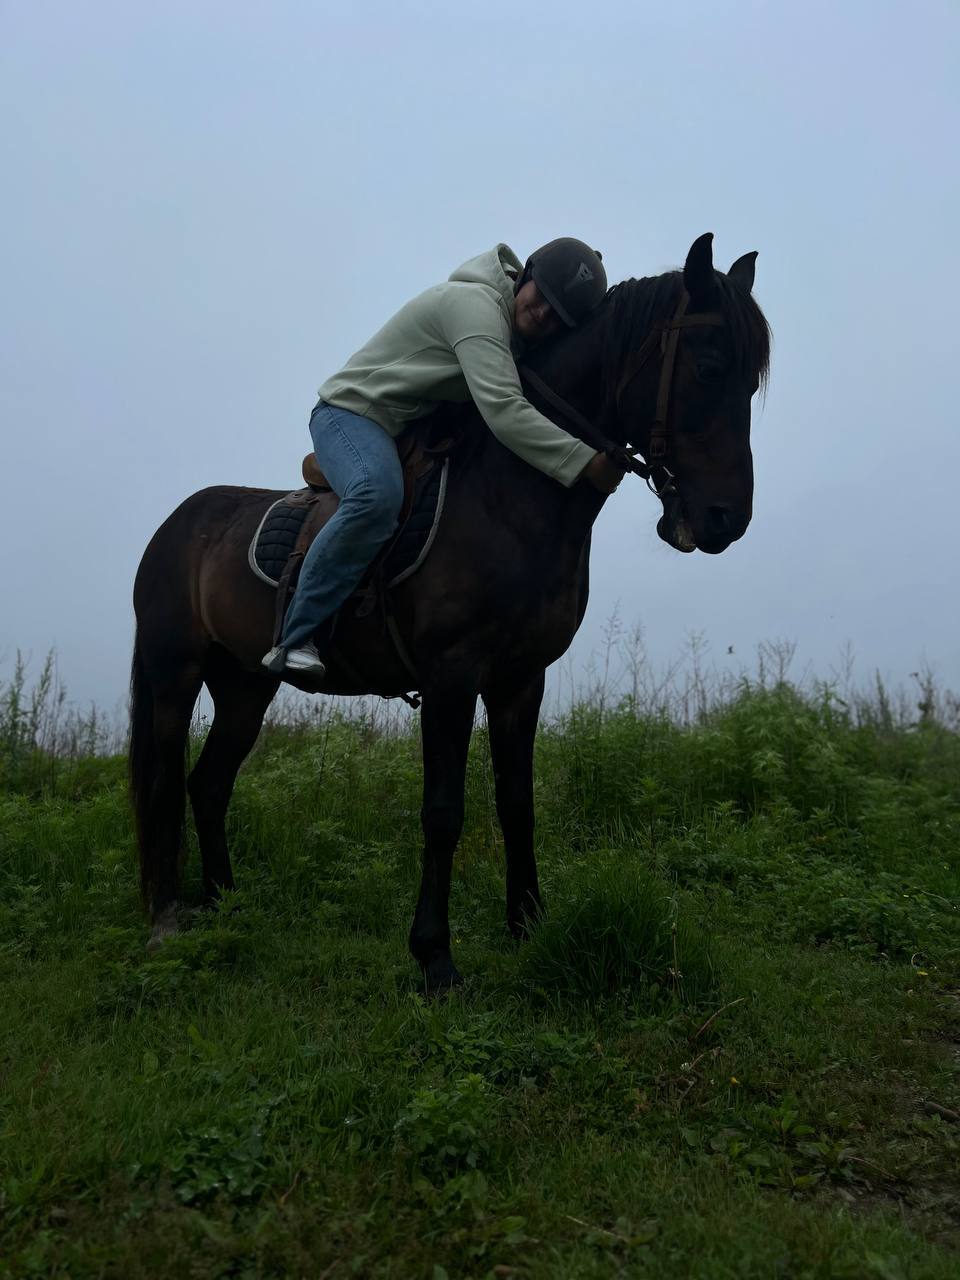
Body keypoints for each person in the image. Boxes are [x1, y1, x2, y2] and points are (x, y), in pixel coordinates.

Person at [262, 239, 626, 678]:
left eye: (559, 315)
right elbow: (504, 410)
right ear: (526, 275)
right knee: (377, 496)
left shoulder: (518, 336)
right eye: (542, 296)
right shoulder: (473, 308)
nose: (544, 313)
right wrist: (585, 462)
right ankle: (295, 635)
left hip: (405, 425)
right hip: (353, 414)